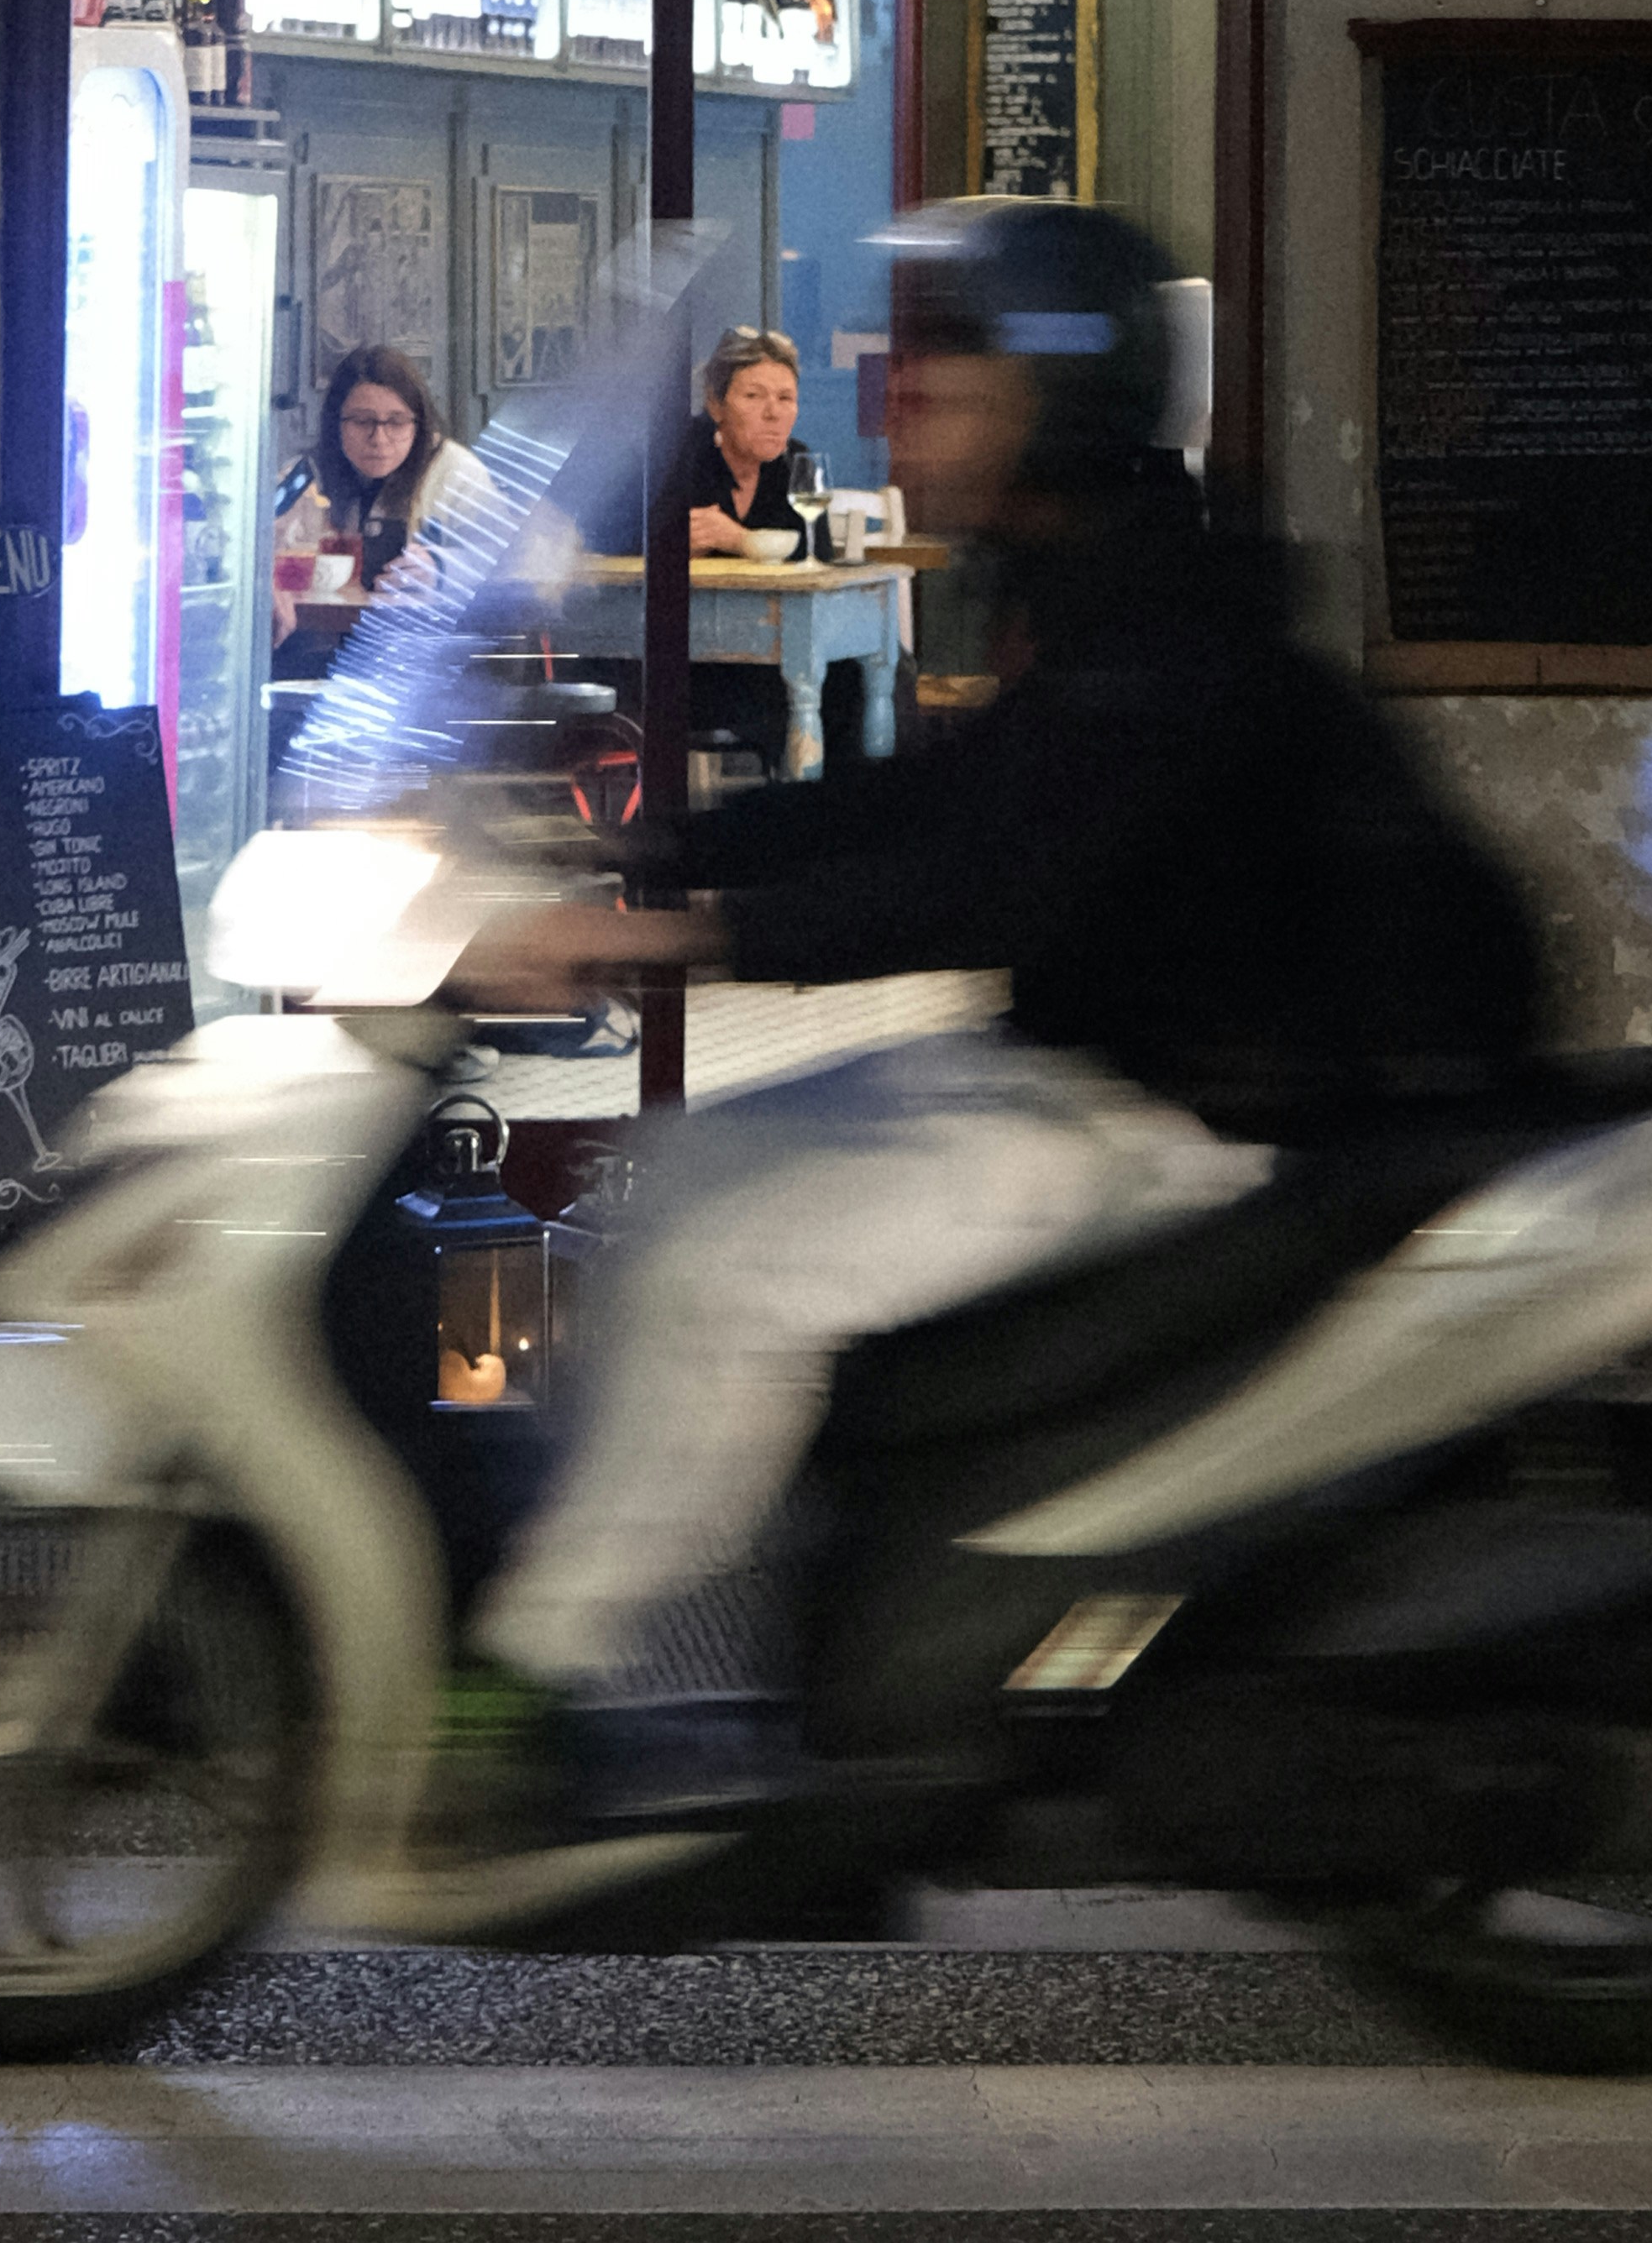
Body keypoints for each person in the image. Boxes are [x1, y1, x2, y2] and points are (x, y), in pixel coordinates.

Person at [443, 197, 1546, 1770]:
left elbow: (988, 878)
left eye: (945, 381)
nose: (901, 407)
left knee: (723, 1275)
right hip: (1068, 1068)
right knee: (669, 1169)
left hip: (1173, 1110)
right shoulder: (1079, 570)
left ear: (1059, 398)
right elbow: (933, 799)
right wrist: (642, 854)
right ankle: (693, 1584)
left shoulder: (1157, 615)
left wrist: (667, 935)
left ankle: (520, 1694)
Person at [274, 343, 497, 659]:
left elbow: (508, 560)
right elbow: (251, 545)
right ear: (336, 422)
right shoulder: (305, 474)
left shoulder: (455, 472)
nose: (379, 439)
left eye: (396, 422)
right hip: (314, 646)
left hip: (427, 653)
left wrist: (443, 568)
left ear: (419, 424)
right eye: (363, 421)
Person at [682, 325, 816, 555]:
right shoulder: (679, 455)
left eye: (785, 398)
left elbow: (818, 562)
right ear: (715, 404)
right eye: (753, 396)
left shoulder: (796, 462)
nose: (773, 413)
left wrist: (740, 540)